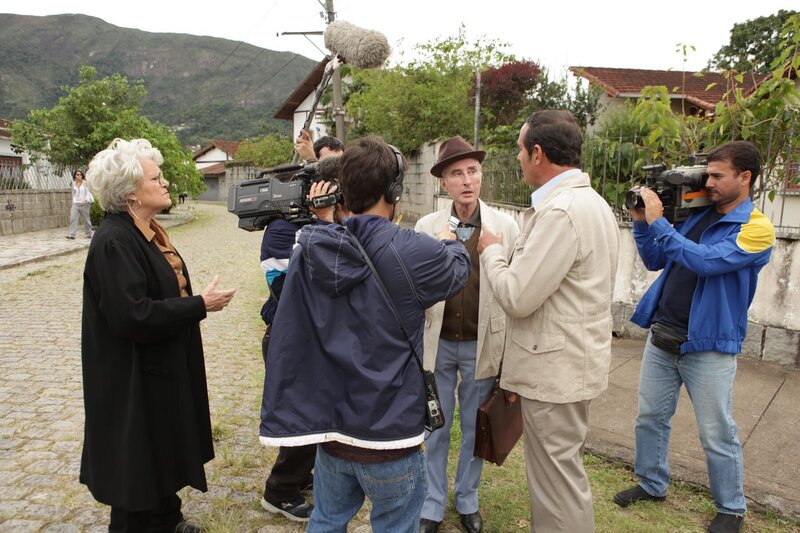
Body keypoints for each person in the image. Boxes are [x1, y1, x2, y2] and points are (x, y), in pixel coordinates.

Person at [260, 136, 471, 532]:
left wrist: (324, 218)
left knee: (327, 519)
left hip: (332, 431)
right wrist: (452, 241)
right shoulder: (414, 250)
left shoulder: (312, 244)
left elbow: (337, 250)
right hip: (390, 436)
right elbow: (457, 270)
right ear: (394, 192)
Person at [612, 141, 775, 533]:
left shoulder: (757, 228)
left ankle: (731, 507)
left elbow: (705, 262)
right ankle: (652, 483)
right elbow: (657, 259)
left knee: (717, 432)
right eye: (707, 174)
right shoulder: (697, 214)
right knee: (650, 417)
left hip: (709, 344)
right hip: (664, 332)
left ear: (745, 177)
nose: (708, 182)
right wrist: (642, 221)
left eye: (717, 175)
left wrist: (661, 224)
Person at [80, 138, 236, 533]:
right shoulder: (114, 240)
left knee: (161, 445)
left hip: (159, 365)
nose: (165, 183)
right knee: (137, 461)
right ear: (131, 193)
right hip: (131, 374)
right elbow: (132, 315)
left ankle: (167, 519)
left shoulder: (146, 229)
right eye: (156, 177)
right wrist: (200, 305)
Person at [478, 110, 620, 532]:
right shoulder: (591, 203)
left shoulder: (562, 212)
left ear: (538, 153)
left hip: (556, 371)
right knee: (562, 477)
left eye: (520, 150)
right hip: (569, 363)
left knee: (556, 486)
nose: (518, 158)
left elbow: (517, 296)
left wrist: (492, 251)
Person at [415, 136, 519, 533]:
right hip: (439, 342)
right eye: (456, 173)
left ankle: (467, 498)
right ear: (443, 183)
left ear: (481, 176)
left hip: (483, 344)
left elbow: (515, 286)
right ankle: (432, 502)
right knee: (436, 425)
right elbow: (418, 285)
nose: (466, 180)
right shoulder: (427, 227)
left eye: (472, 171)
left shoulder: (505, 227)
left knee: (477, 427)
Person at [258, 144, 344, 522]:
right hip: (288, 337)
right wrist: (323, 226)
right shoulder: (282, 229)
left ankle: (301, 475)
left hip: (314, 337)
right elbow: (292, 287)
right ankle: (280, 491)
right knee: (303, 420)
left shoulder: (322, 224)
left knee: (316, 416)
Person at [67, 168, 94, 239]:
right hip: (75, 204)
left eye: (80, 174)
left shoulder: (85, 183)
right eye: (77, 174)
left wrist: (85, 200)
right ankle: (72, 234)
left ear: (82, 175)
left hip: (84, 204)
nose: (79, 176)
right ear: (75, 176)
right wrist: (73, 202)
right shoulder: (73, 184)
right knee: (73, 218)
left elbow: (88, 193)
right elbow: (73, 193)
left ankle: (89, 233)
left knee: (86, 219)